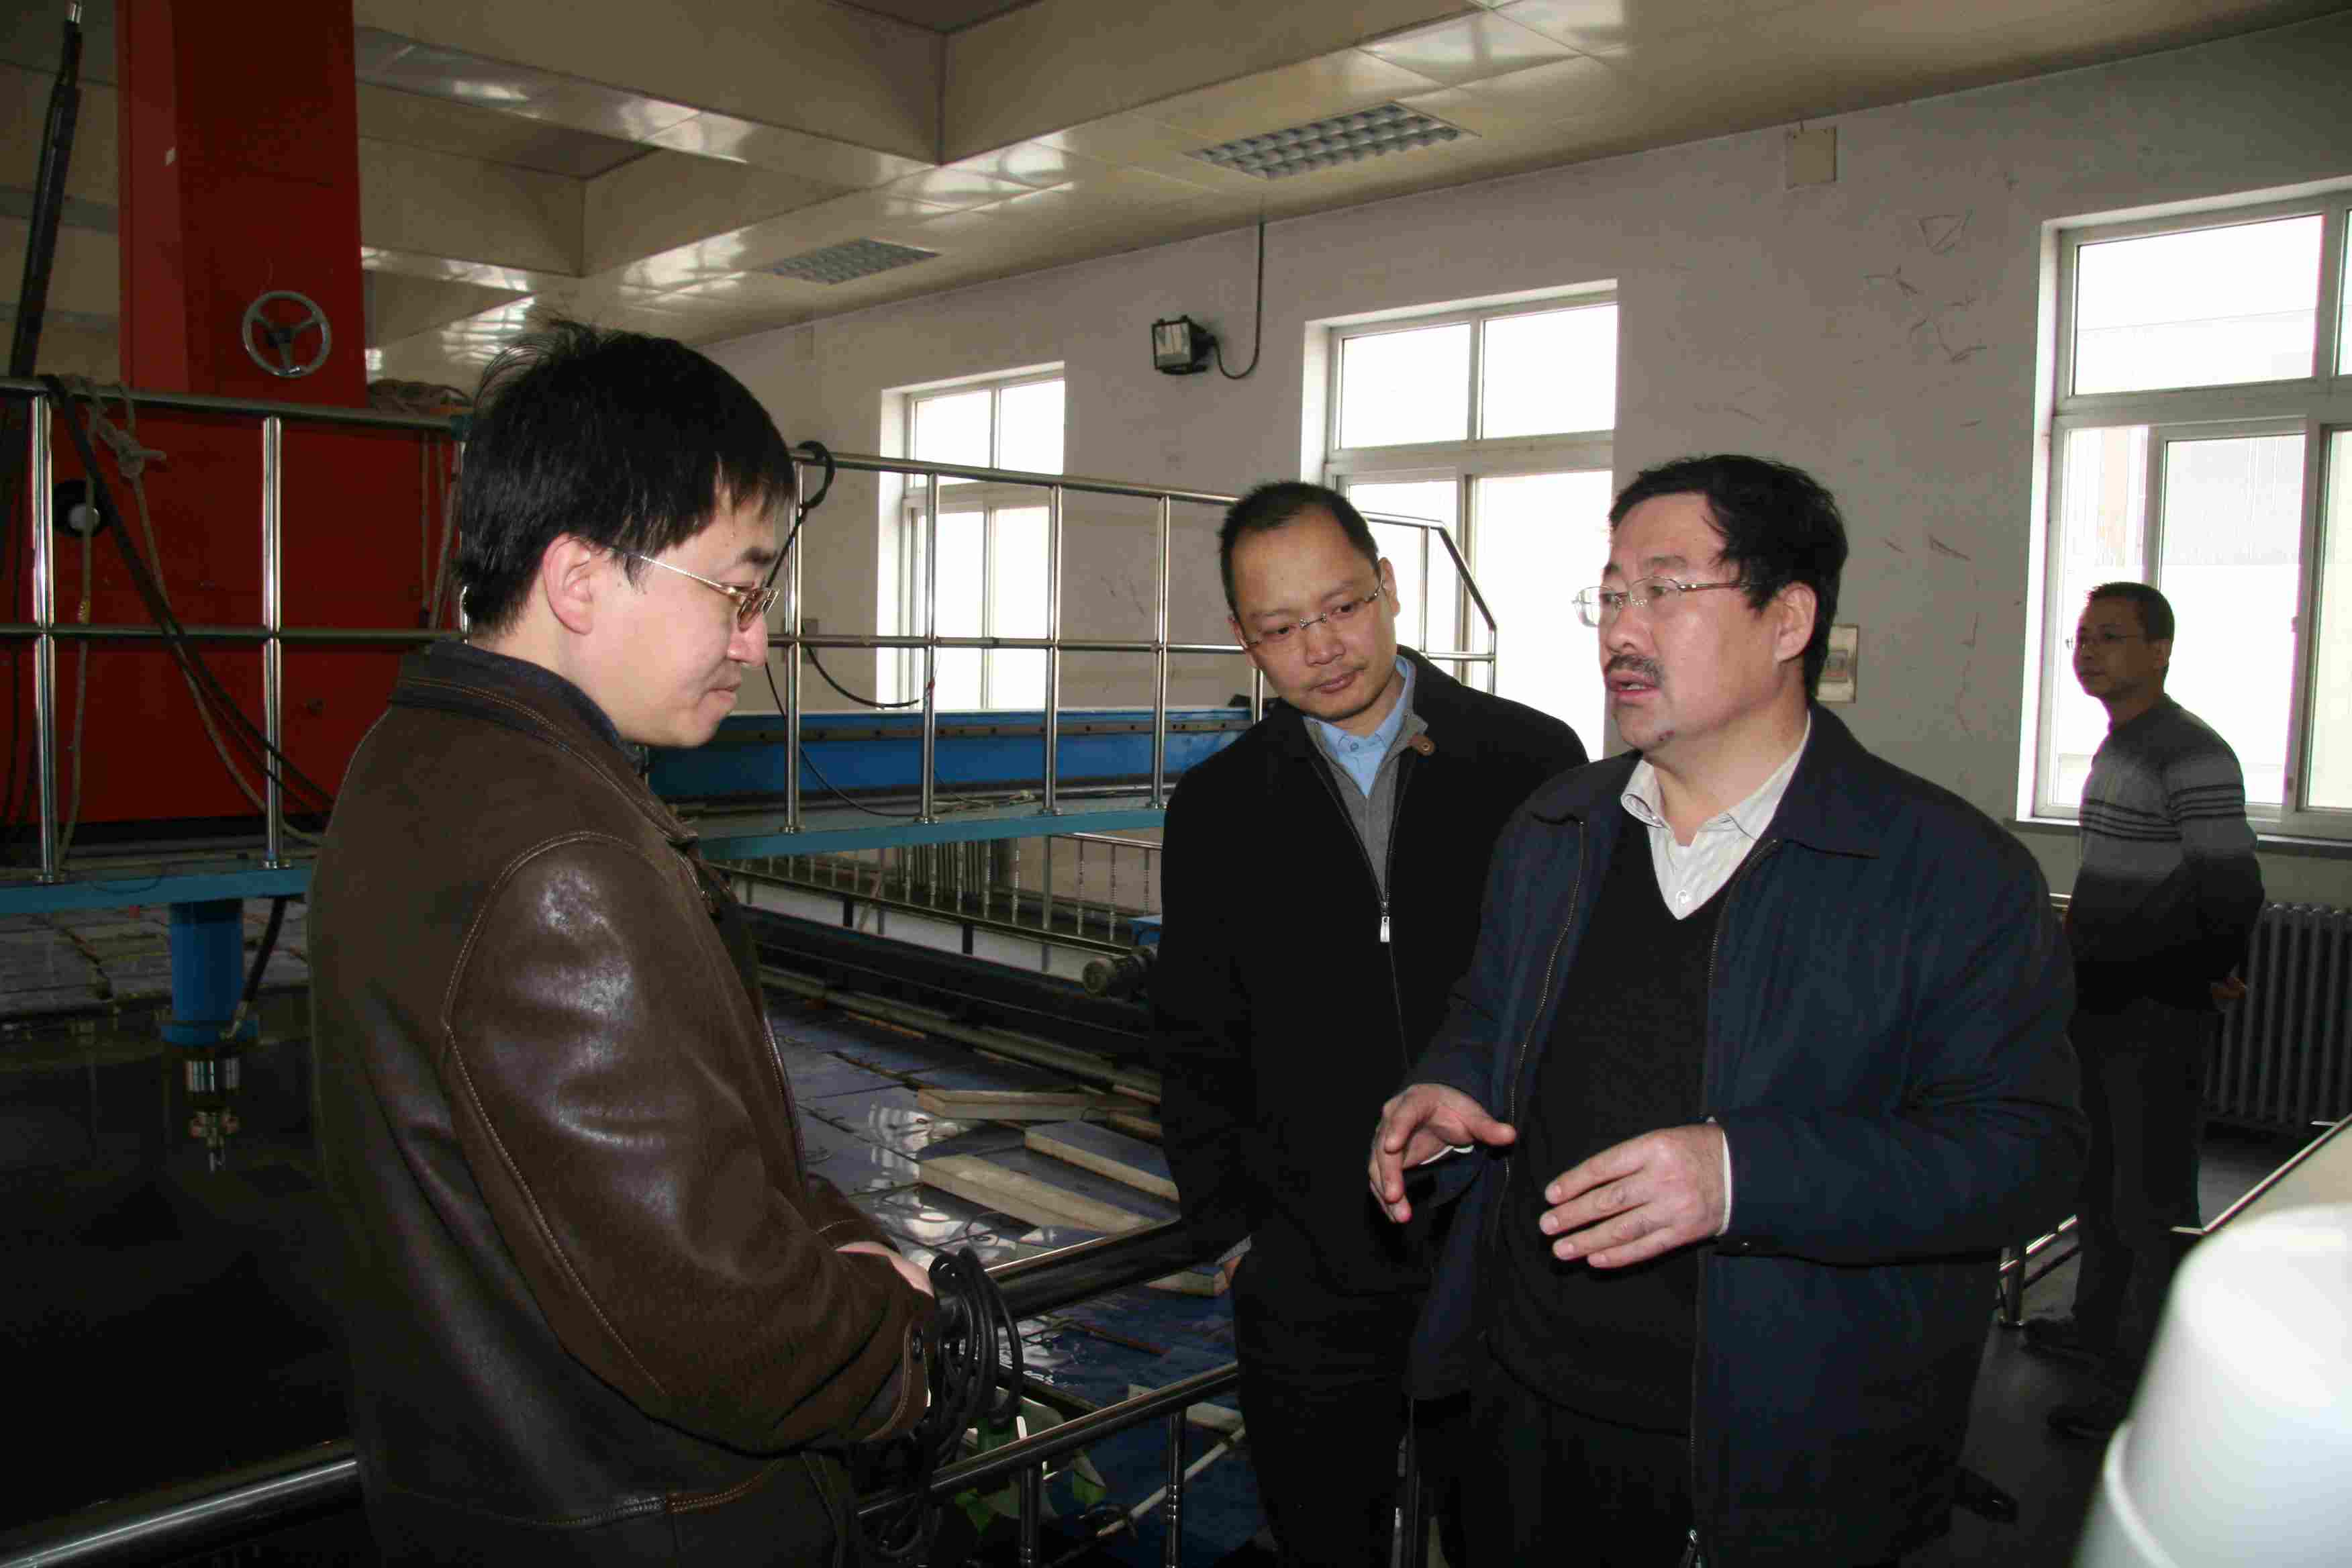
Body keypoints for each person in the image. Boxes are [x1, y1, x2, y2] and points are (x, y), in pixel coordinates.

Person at [1367, 454, 2084, 1568]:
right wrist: (1450, 1084)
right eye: (1610, 593)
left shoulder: (1947, 874)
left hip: (1780, 1455)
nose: (1620, 629)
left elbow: (2027, 1155)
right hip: (1525, 1408)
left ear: (1787, 618)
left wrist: (1742, 1175)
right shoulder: (1556, 830)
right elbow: (1490, 1009)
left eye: (1664, 589)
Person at [310, 322, 935, 1565]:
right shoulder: (564, 866)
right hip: (646, 1520)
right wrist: (899, 1335)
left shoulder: (413, 758)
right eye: (738, 590)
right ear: (582, 580)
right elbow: (725, 1328)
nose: (756, 640)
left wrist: (825, 1236)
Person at [1154, 481, 1585, 1566]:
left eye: (1342, 606)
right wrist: (1235, 1236)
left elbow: (1576, 996)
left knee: (1506, 1536)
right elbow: (1195, 1037)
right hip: (1307, 1273)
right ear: (1243, 639)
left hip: (1497, 1250)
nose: (1322, 647)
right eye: (1280, 627)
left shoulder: (1530, 762)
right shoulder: (1216, 807)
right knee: (1322, 1540)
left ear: (1388, 585)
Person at [2028, 581, 2263, 1439]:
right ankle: (2095, 1329)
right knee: (2098, 1181)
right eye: (2083, 637)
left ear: (2160, 650)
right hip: (2100, 1003)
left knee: (2150, 1198)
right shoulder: (2120, 744)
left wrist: (2201, 974)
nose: (2090, 652)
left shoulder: (2190, 751)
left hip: (2155, 1012)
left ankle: (2148, 1383)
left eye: (2112, 636)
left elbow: (2232, 885)